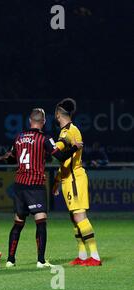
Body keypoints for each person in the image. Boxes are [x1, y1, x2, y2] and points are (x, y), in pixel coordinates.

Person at [5, 108, 83, 268]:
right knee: (40, 223)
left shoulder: (18, 138)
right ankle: (40, 260)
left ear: (29, 121)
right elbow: (60, 156)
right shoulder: (44, 138)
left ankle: (10, 260)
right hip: (35, 186)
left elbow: (9, 159)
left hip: (19, 186)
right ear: (44, 122)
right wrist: (75, 147)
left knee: (18, 223)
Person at [52, 98, 102, 266]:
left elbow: (57, 153)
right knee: (74, 218)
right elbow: (65, 161)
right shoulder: (66, 131)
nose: (55, 116)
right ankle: (82, 255)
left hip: (74, 179)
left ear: (59, 114)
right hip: (68, 178)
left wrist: (49, 146)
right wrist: (58, 180)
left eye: (55, 113)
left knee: (79, 216)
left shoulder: (69, 131)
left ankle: (94, 256)